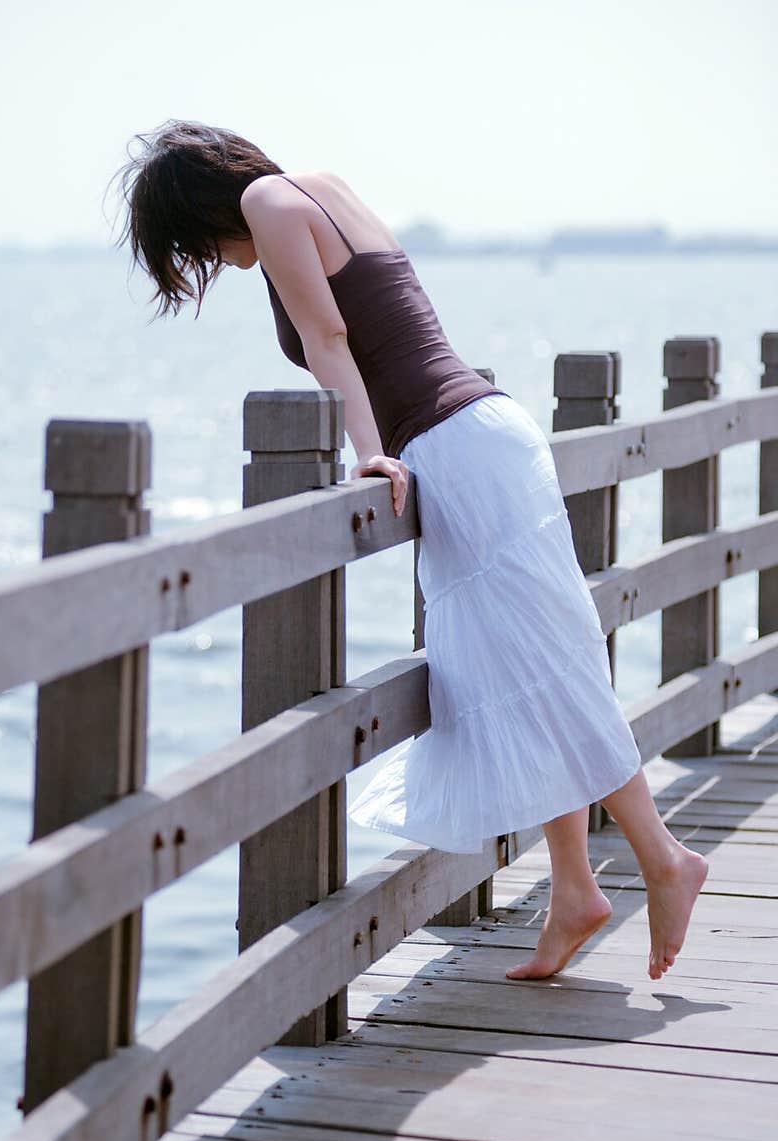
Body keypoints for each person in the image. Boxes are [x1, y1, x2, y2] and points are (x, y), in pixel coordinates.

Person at [112, 119, 709, 983]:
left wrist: (364, 449)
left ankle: (662, 858)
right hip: (479, 434)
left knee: (542, 665)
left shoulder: (268, 201)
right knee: (523, 665)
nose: (207, 258)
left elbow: (331, 339)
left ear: (199, 207)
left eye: (188, 242)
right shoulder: (320, 185)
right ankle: (576, 888)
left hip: (454, 445)